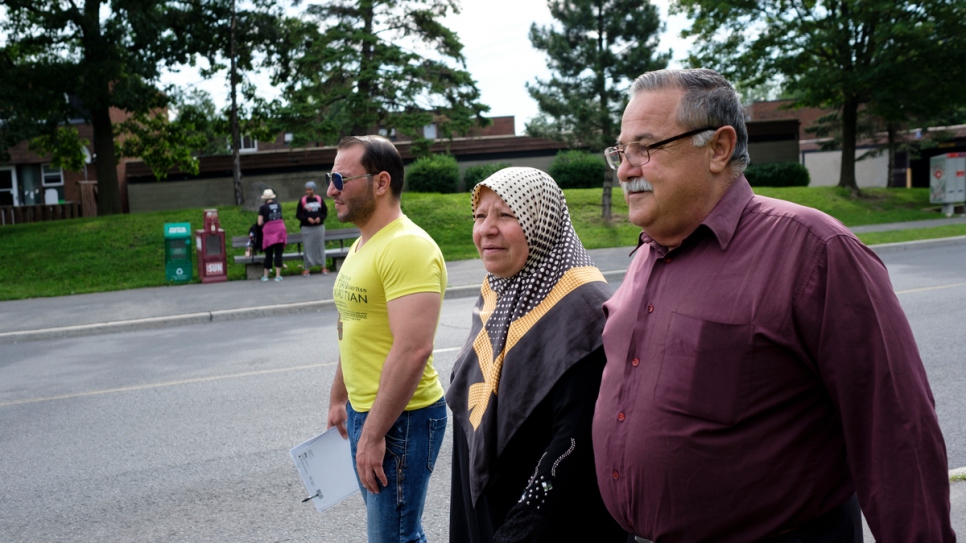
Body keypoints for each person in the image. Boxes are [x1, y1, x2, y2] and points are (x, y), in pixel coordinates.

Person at [592, 67, 955, 543]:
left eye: (646, 148)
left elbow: (896, 433)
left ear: (718, 148)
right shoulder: (646, 255)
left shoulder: (815, 251)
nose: (625, 168)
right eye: (621, 151)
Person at [447, 167, 627, 543]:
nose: (486, 229)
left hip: (546, 522)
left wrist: (518, 529)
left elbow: (575, 441)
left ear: (541, 223)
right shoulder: (498, 291)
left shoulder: (585, 308)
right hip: (486, 506)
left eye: (506, 215)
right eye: (480, 216)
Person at [325, 135, 448, 543]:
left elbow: (414, 349)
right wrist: (339, 398)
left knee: (393, 537)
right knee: (399, 534)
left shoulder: (407, 246)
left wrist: (375, 434)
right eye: (330, 178)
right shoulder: (364, 244)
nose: (331, 190)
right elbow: (353, 325)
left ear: (381, 183)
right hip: (370, 413)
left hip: (402, 418)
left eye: (340, 179)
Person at [295, 180, 329, 276]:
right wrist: (307, 219)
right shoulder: (302, 200)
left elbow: (324, 212)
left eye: (309, 189)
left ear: (313, 190)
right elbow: (298, 215)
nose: (307, 191)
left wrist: (320, 218)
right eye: (306, 190)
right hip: (307, 228)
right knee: (307, 247)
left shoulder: (319, 199)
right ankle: (307, 268)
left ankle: (323, 266)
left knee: (320, 247)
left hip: (319, 227)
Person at [257, 188, 286, 282]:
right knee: (278, 253)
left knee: (268, 253)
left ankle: (266, 276)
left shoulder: (263, 207)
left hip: (269, 232)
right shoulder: (278, 205)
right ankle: (278, 275)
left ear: (265, 198)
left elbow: (259, 223)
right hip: (280, 230)